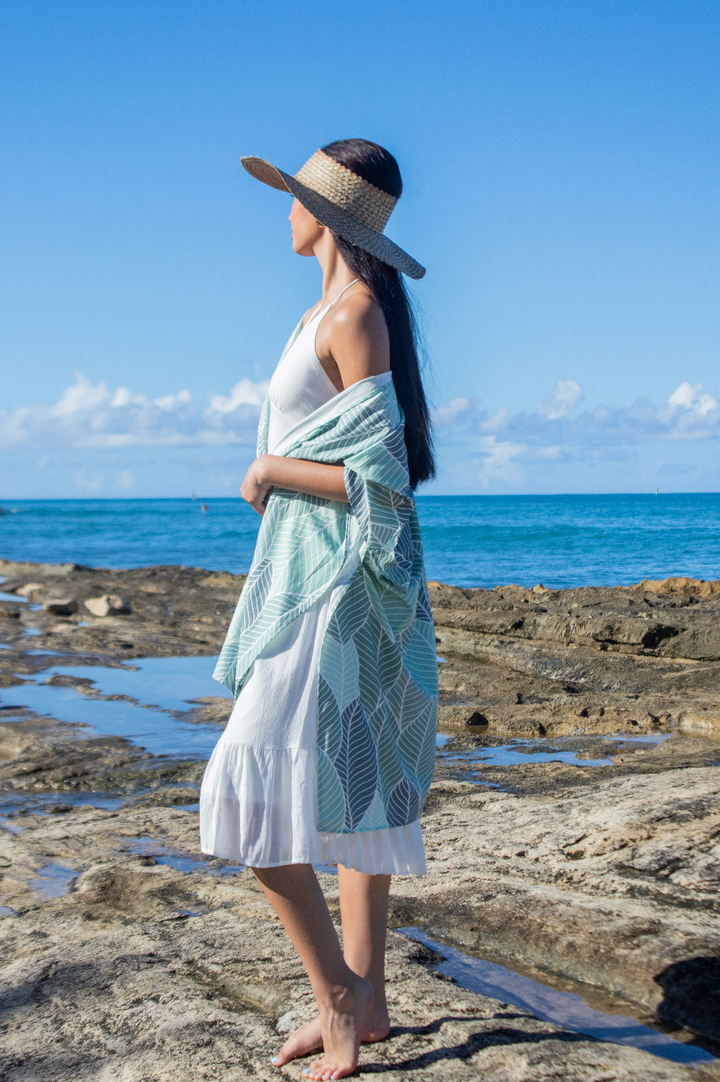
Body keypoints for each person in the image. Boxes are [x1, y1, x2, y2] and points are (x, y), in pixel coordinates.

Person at [199, 139, 438, 1081]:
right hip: (308, 572)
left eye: (295, 196)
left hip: (335, 587)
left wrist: (266, 470)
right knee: (352, 775)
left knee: (247, 789)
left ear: (327, 215)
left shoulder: (360, 315)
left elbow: (381, 484)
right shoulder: (324, 310)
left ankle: (337, 995)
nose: (285, 211)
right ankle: (368, 997)